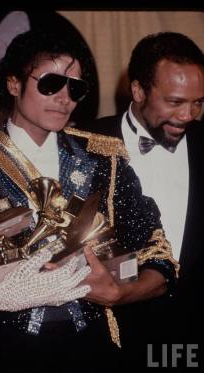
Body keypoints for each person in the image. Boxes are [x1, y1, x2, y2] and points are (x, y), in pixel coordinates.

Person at [0, 30, 178, 373]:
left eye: (75, 88)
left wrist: (119, 292)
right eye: (50, 84)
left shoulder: (104, 158)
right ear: (14, 84)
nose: (64, 98)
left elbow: (158, 255)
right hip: (11, 352)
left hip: (93, 348)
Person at [78, 31, 204, 367]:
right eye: (175, 102)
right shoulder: (84, 144)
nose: (188, 115)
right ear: (138, 90)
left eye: (198, 102)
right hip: (107, 336)